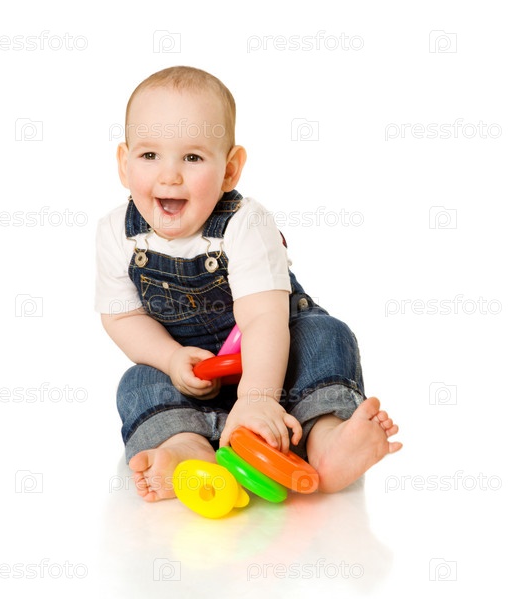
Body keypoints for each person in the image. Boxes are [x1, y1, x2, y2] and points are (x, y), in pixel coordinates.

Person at [95, 66, 402, 502]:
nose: (169, 176)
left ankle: (326, 439)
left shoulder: (245, 224)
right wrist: (171, 357)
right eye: (149, 156)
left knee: (325, 336)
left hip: (277, 363)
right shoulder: (117, 234)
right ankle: (187, 447)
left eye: (192, 158)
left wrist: (258, 396)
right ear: (124, 164)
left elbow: (262, 319)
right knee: (138, 380)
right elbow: (122, 317)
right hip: (195, 378)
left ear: (230, 169)